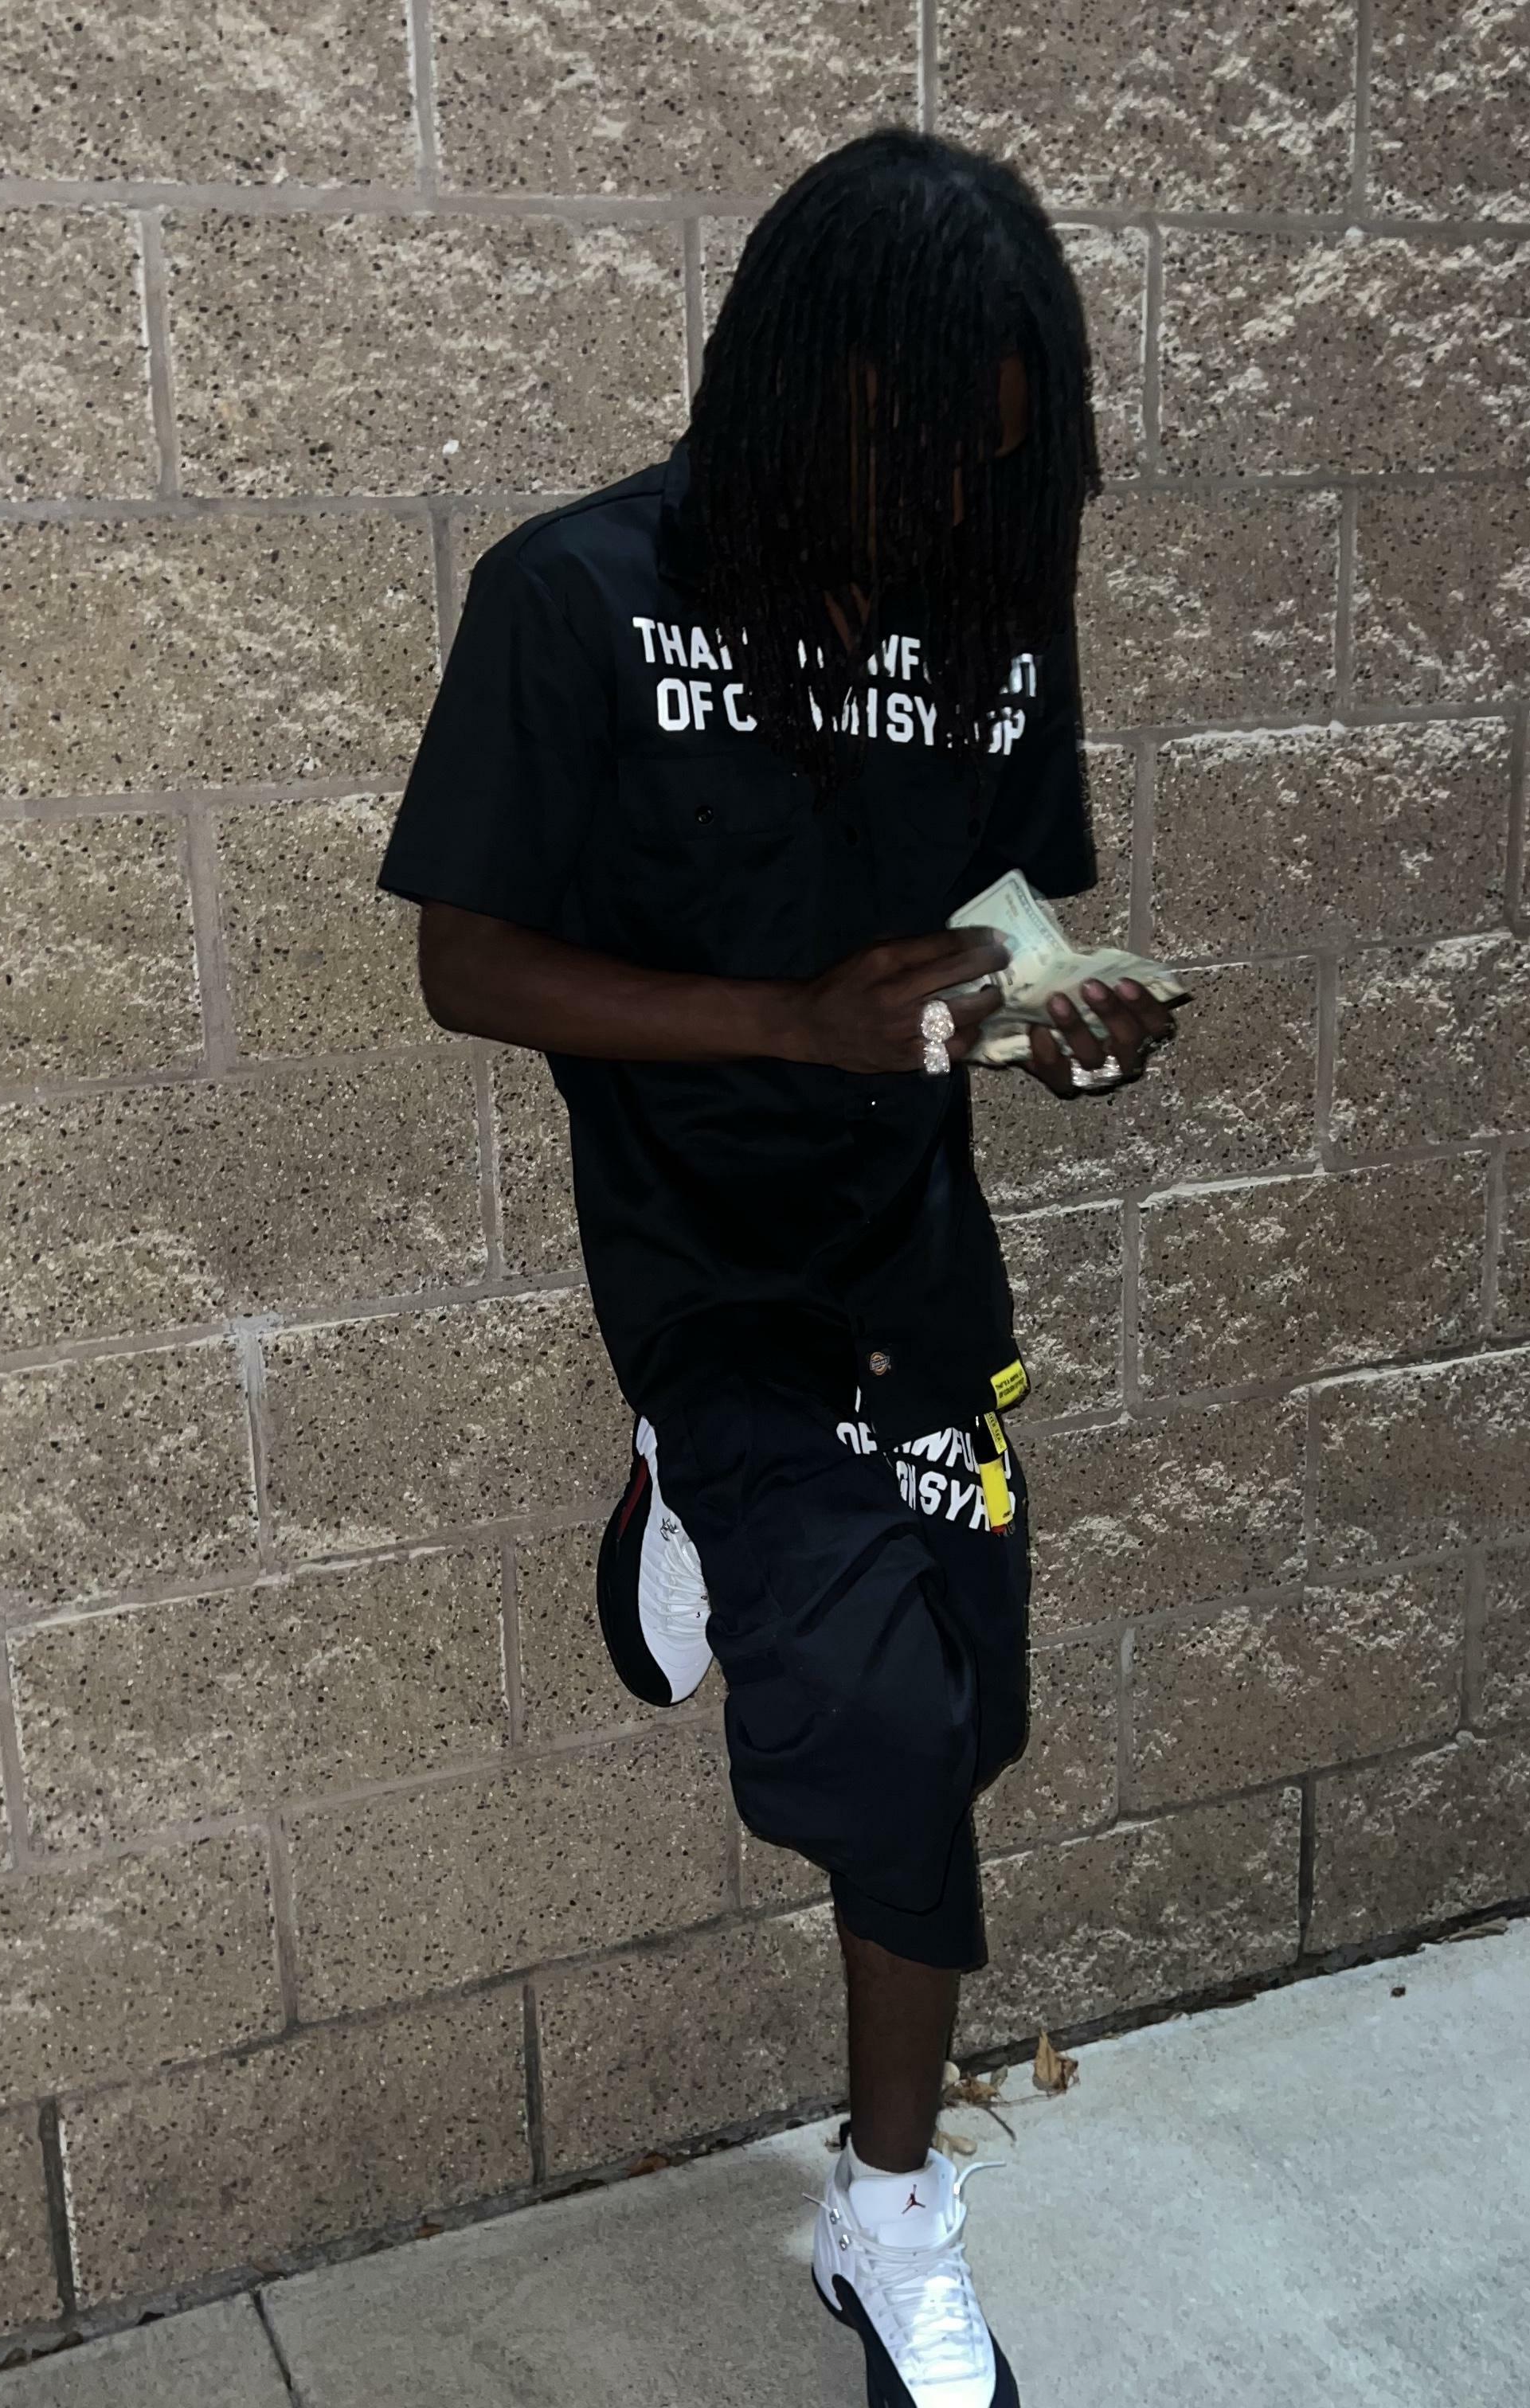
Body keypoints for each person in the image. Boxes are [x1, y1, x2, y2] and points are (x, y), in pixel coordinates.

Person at [377, 127, 1179, 2408]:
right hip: (705, 1264)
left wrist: (1061, 1016)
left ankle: (690, 1515)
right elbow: (464, 963)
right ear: (809, 386)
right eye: (926, 455)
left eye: (997, 468)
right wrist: (787, 1025)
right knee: (891, 1736)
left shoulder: (992, 613)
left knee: (966, 1723)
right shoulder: (580, 594)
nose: (957, 510)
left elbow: (1002, 920)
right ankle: (893, 2215)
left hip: (915, 1261)